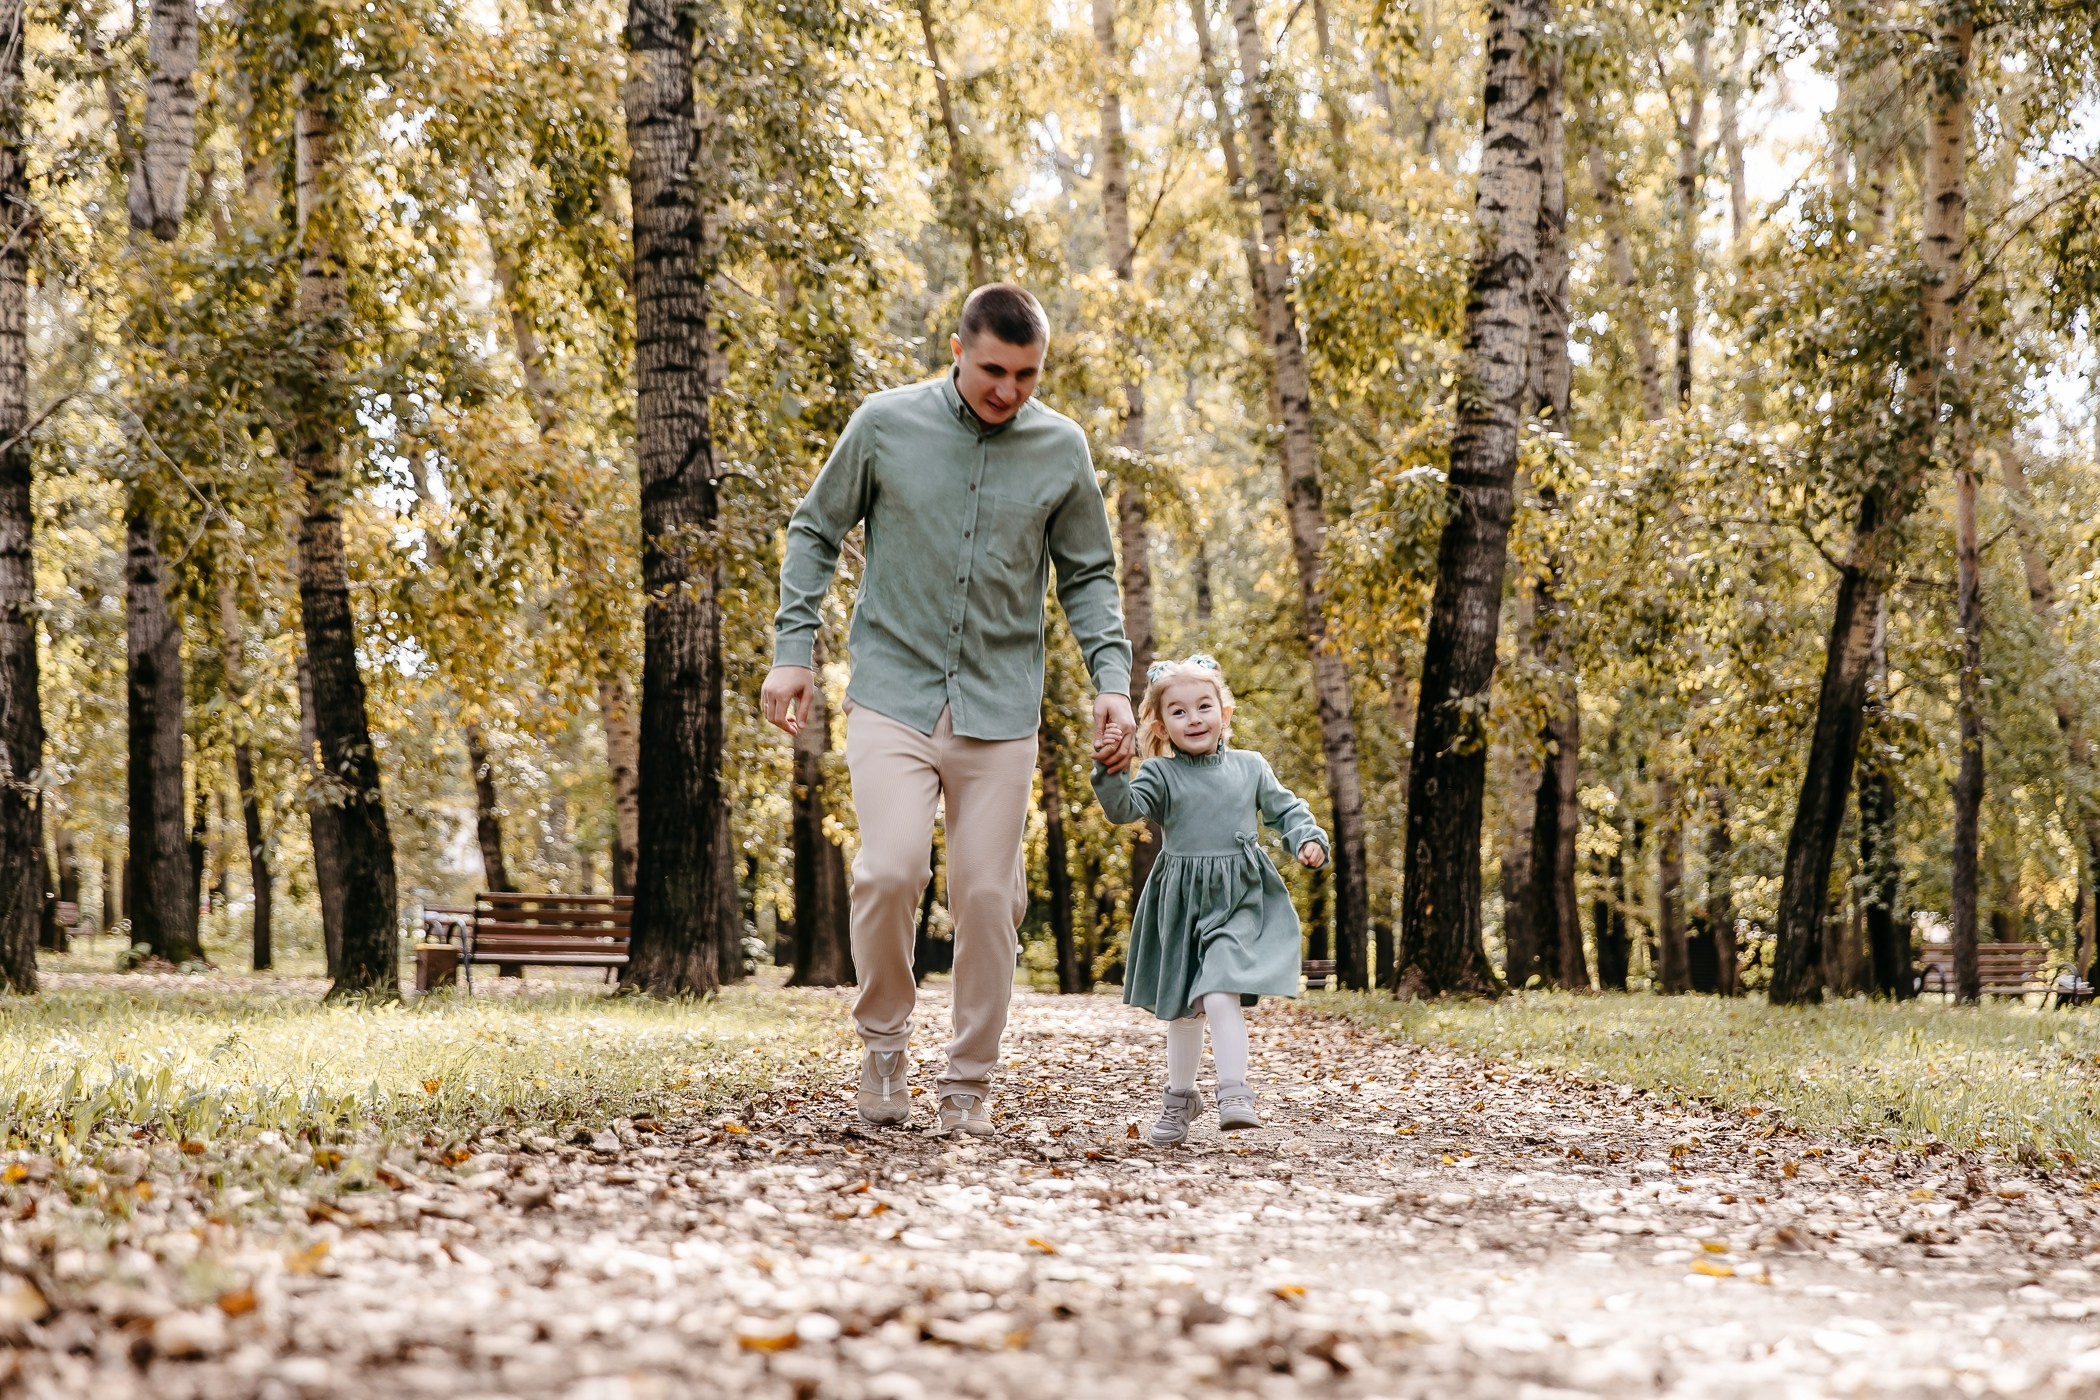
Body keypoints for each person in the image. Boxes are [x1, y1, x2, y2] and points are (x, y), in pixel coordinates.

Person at [761, 283, 1136, 1137]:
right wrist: (793, 651)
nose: (1008, 390)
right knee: (890, 872)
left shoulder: (1060, 448)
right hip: (893, 691)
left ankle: (968, 1077)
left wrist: (1111, 682)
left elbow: (1088, 576)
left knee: (986, 895)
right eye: (995, 369)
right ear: (958, 350)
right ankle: (885, 1042)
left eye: (1028, 375)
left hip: (1001, 708)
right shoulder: (886, 424)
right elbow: (814, 529)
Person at [1091, 655, 1328, 1145]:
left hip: (1240, 895)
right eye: (1178, 712)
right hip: (1180, 901)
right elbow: (1122, 809)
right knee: (1183, 1007)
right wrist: (1111, 768)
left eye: (1204, 706)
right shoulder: (1160, 774)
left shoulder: (1250, 767)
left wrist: (1306, 837)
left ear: (1226, 713)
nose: (1194, 718)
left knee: (1220, 990)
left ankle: (1235, 1092)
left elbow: (1287, 810)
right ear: (1161, 725)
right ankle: (1180, 1099)